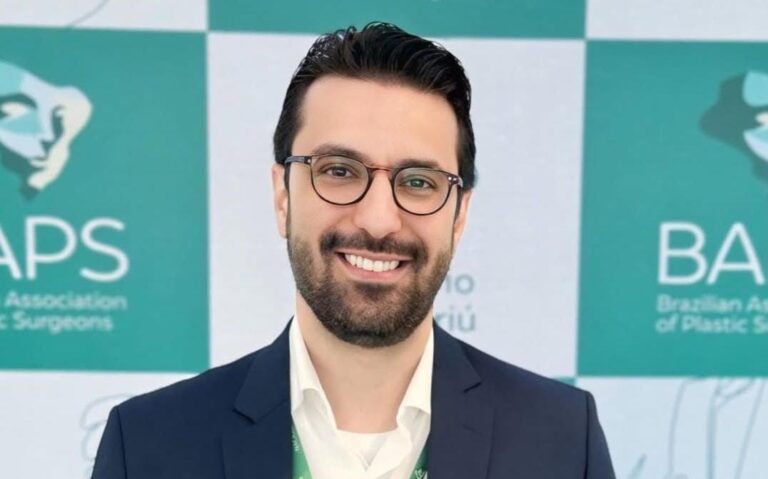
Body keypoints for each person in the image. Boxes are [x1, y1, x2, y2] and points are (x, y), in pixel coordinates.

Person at [92, 22, 616, 479]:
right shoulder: (148, 445)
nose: (378, 219)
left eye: (418, 181)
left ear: (459, 215)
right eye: (339, 171)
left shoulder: (563, 442)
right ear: (282, 197)